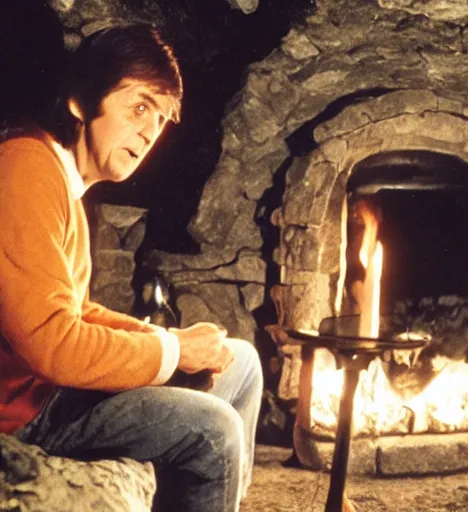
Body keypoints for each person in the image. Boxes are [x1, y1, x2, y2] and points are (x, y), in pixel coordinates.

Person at [0, 25, 263, 511]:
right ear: (81, 101)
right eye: (139, 107)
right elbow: (53, 344)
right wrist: (169, 350)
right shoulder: (24, 169)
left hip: (50, 391)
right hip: (26, 413)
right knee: (212, 429)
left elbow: (75, 310)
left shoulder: (63, 182)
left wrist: (171, 345)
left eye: (160, 120)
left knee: (241, 362)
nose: (148, 133)